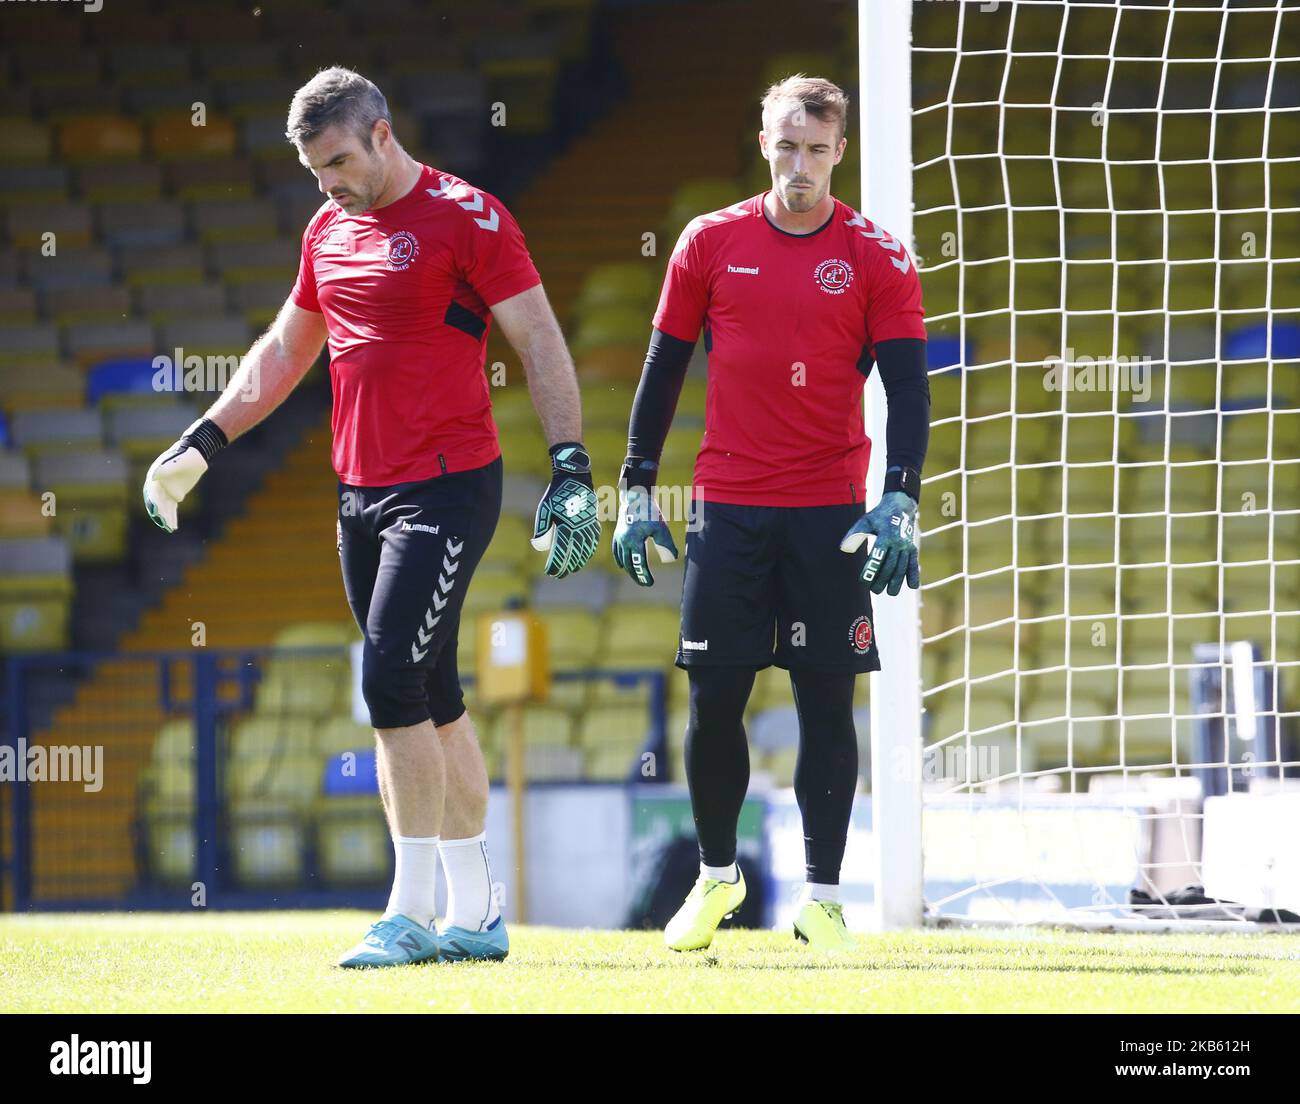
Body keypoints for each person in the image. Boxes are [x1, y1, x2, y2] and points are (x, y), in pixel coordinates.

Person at [143, 67, 601, 968]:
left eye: (341, 161)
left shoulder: (471, 219)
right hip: (359, 493)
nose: (331, 182)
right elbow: (284, 349)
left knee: (388, 681)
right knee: (431, 696)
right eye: (316, 170)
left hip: (447, 486)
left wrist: (571, 464)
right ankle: (478, 913)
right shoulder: (328, 230)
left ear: (383, 134)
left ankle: (409, 910)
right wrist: (203, 441)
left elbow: (540, 337)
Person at [612, 75, 930, 953]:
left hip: (831, 511)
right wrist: (636, 484)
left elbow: (906, 384)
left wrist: (900, 490)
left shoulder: (879, 256)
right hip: (732, 507)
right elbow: (662, 370)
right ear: (764, 144)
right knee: (714, 700)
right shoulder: (710, 243)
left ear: (839, 152)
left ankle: (824, 900)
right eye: (786, 147)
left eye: (817, 150)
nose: (800, 166)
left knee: (826, 704)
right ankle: (718, 880)